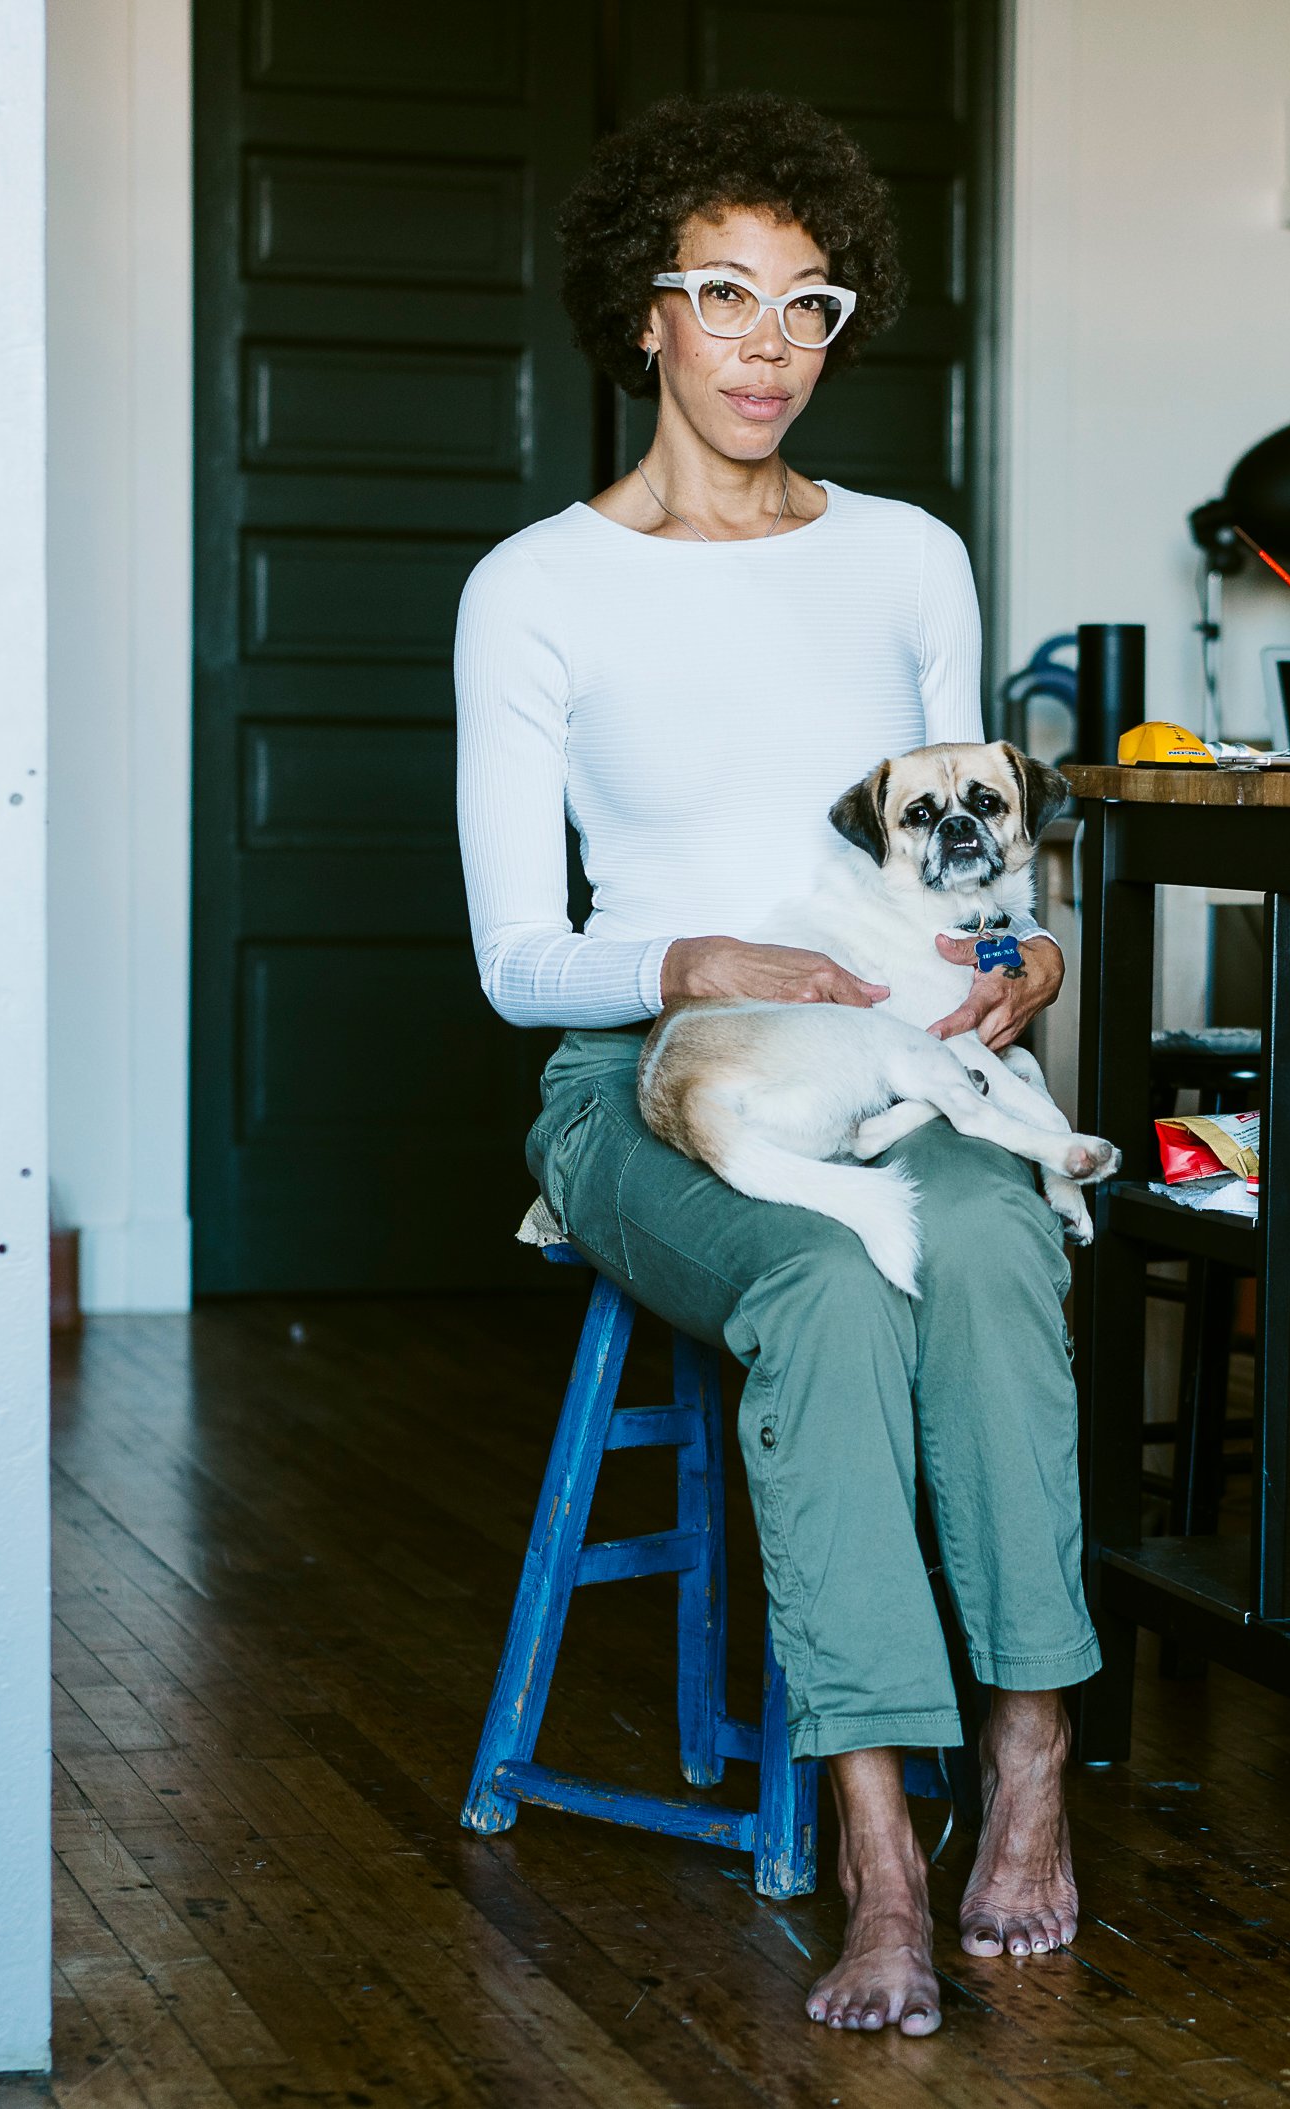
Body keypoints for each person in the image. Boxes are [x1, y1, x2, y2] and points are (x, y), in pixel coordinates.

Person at [453, 92, 1095, 2038]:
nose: (765, 344)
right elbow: (509, 960)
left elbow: (955, 853)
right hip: (646, 1079)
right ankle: (883, 1841)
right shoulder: (537, 586)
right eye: (721, 295)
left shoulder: (906, 557)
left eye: (807, 305)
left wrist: (1024, 951)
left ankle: (1036, 1742)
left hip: (883, 1060)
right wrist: (703, 952)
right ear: (641, 315)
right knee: (823, 1285)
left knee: (989, 1247)